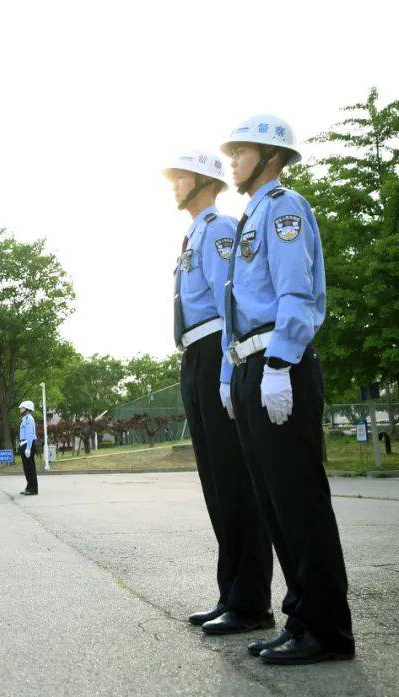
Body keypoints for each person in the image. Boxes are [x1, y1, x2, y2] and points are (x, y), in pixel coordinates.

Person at [220, 114, 354, 665]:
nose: (232, 163)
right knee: (274, 502)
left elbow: (296, 292)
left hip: (282, 362)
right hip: (253, 364)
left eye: (240, 153)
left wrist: (278, 362)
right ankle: (300, 617)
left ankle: (326, 629)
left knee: (299, 500)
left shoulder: (284, 209)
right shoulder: (252, 214)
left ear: (271, 157)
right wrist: (234, 372)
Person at [161, 150, 274, 635]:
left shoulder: (220, 230)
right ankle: (231, 593)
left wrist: (228, 368)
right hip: (195, 353)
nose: (173, 185)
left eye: (180, 177)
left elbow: (230, 302)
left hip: (215, 351)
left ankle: (251, 602)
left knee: (234, 479)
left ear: (204, 181)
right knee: (215, 481)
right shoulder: (196, 232)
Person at [17, 401, 38, 496]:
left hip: (28, 444)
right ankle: (29, 487)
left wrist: (28, 448)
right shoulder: (24, 419)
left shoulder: (29, 419)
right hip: (24, 444)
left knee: (30, 468)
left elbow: (30, 434)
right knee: (26, 468)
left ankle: (33, 489)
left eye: (22, 408)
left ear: (27, 409)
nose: (20, 410)